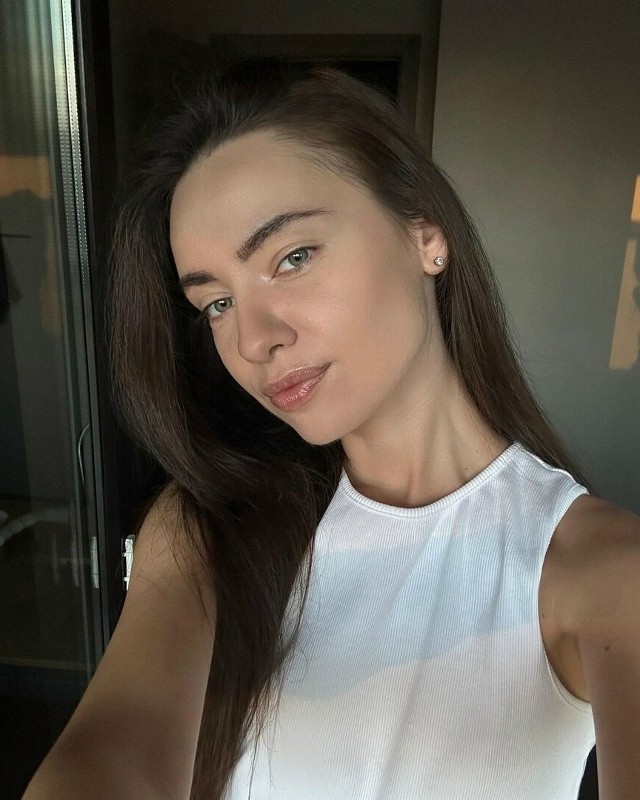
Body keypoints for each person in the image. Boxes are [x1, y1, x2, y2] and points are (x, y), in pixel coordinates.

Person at [23, 65, 640, 800]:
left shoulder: (597, 572)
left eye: (292, 258)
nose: (253, 340)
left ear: (424, 233)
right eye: (217, 303)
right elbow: (116, 744)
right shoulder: (209, 532)